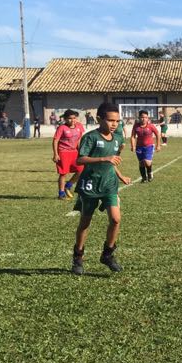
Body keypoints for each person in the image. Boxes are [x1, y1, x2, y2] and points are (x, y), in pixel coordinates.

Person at [70, 101, 131, 275]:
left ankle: (108, 253)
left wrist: (120, 176)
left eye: (117, 121)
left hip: (109, 185)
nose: (114, 124)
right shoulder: (91, 137)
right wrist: (104, 159)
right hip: (90, 185)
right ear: (99, 119)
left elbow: (113, 161)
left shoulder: (118, 138)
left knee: (116, 219)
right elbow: (80, 160)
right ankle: (78, 257)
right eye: (111, 120)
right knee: (85, 222)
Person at [52, 109, 85, 199]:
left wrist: (81, 152)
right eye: (70, 118)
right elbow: (55, 140)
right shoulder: (62, 128)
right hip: (63, 152)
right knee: (63, 173)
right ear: (65, 119)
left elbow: (79, 140)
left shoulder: (79, 126)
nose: (72, 120)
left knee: (81, 170)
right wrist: (56, 154)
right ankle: (61, 193)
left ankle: (69, 185)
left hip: (75, 152)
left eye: (74, 118)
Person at [129, 109, 162, 182]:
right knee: (141, 163)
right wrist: (133, 146)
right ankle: (144, 178)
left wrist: (158, 145)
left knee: (147, 162)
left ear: (148, 118)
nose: (144, 119)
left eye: (146, 117)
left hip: (149, 146)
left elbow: (157, 134)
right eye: (142, 117)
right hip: (139, 147)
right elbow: (133, 136)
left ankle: (149, 173)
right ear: (139, 118)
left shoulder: (151, 126)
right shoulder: (136, 126)